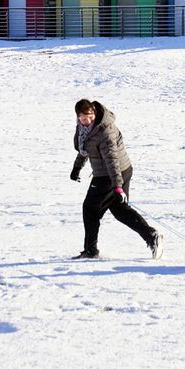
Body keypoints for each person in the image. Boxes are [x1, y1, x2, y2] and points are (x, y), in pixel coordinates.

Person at [69, 99, 163, 260]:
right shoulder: (84, 128)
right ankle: (151, 236)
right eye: (83, 118)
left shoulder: (104, 130)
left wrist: (117, 186)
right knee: (119, 210)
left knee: (90, 209)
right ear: (78, 117)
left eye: (89, 116)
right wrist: (77, 168)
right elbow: (86, 148)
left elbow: (112, 160)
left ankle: (90, 251)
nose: (87, 121)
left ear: (94, 112)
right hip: (119, 171)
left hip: (111, 173)